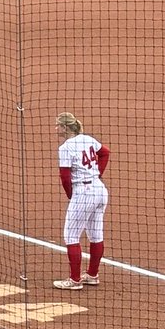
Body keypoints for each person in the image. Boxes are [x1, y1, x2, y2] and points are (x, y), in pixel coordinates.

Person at [53, 112, 110, 289]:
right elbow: (105, 153)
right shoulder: (88, 139)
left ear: (65, 127)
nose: (56, 128)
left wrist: (72, 195)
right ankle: (92, 275)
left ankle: (75, 280)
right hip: (100, 190)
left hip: (83, 193)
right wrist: (97, 173)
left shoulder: (65, 148)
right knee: (96, 234)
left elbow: (64, 177)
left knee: (71, 235)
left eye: (58, 125)